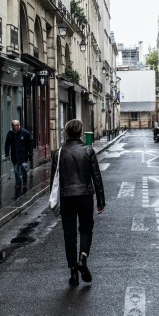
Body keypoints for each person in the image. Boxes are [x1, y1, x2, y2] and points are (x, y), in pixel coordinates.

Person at [50, 119, 106, 286]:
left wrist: (55, 200)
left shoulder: (59, 153)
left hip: (67, 197)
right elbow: (97, 177)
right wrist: (101, 200)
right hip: (85, 196)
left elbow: (54, 180)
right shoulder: (88, 151)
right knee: (86, 230)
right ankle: (83, 258)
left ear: (67, 133)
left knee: (69, 235)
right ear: (81, 133)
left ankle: (73, 273)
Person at [5, 120, 33, 189]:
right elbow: (7, 144)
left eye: (16, 125)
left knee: (24, 168)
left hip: (23, 155)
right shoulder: (10, 134)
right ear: (12, 126)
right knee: (16, 170)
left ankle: (25, 179)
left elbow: (30, 143)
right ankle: (18, 182)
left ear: (19, 125)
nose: (15, 127)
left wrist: (30, 153)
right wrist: (7, 154)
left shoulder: (25, 133)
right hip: (15, 155)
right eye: (14, 125)